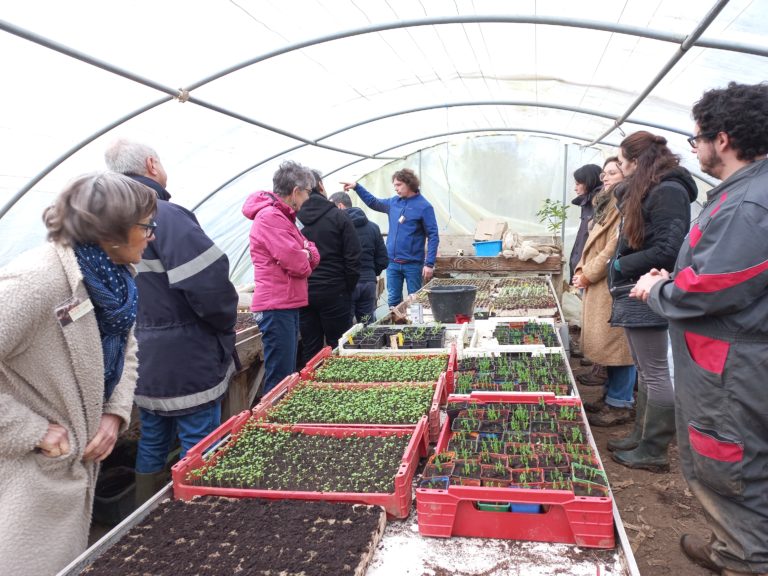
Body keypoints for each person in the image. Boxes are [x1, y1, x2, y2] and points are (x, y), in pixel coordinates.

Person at [632, 82, 768, 576]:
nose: (697, 149)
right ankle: (733, 546)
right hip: (733, 353)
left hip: (734, 363)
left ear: (723, 139)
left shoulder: (749, 204)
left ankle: (745, 559)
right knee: (734, 456)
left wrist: (659, 290)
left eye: (697, 140)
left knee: (729, 459)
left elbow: (716, 285)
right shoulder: (742, 195)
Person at [0, 172, 155, 575]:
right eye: (146, 225)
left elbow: (128, 346)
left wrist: (115, 412)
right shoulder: (35, 283)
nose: (152, 234)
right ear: (111, 229)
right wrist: (33, 432)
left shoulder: (114, 282)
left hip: (73, 464)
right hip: (29, 473)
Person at [105, 140, 239, 505]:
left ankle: (144, 512)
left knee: (153, 434)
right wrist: (223, 327)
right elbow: (211, 288)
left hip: (139, 356)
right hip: (185, 357)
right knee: (199, 439)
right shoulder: (165, 216)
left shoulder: (105, 222)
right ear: (151, 165)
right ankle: (197, 511)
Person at [605, 131, 698, 472]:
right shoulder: (651, 189)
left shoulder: (668, 191)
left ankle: (654, 449)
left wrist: (620, 264)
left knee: (656, 372)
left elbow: (668, 250)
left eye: (623, 162)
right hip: (634, 289)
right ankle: (641, 436)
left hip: (647, 289)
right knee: (647, 370)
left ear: (636, 162)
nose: (621, 168)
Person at [243, 160, 320, 392]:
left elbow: (311, 252)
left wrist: (307, 252)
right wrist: (305, 254)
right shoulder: (270, 218)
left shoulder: (282, 217)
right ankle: (272, 424)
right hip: (277, 305)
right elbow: (298, 263)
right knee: (280, 376)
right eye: (308, 192)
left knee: (284, 372)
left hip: (286, 302)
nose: (308, 199)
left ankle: (277, 420)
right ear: (296, 191)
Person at [572, 157, 637, 427]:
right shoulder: (608, 203)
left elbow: (612, 248)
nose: (606, 178)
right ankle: (610, 395)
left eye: (613, 172)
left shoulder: (627, 206)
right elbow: (588, 242)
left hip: (613, 283)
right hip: (601, 282)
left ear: (628, 175)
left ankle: (620, 403)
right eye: (605, 173)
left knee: (620, 347)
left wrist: (588, 273)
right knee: (610, 346)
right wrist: (580, 269)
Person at [341, 168, 439, 308]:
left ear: (409, 183)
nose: (396, 189)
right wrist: (357, 187)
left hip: (413, 264)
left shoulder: (424, 207)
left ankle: (414, 328)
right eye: (394, 186)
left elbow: (433, 236)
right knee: (393, 301)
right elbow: (373, 202)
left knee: (415, 301)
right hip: (392, 263)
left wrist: (429, 263)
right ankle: (395, 329)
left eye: (398, 185)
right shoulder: (393, 203)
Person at [296, 171, 361, 364]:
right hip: (335, 291)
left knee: (311, 346)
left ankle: (312, 388)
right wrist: (346, 287)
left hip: (305, 293)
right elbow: (353, 256)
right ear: (321, 186)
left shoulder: (294, 219)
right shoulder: (338, 216)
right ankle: (340, 387)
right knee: (339, 345)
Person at [329, 190, 388, 323]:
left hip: (348, 284)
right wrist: (371, 271)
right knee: (367, 326)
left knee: (347, 328)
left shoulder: (337, 228)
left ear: (340, 206)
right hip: (368, 283)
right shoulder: (373, 227)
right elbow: (383, 259)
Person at [569, 163, 602, 284]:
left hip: (589, 271)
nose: (575, 188)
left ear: (589, 182)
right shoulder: (587, 203)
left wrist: (586, 270)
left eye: (578, 184)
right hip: (581, 269)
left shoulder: (599, 204)